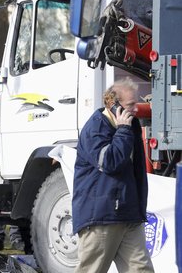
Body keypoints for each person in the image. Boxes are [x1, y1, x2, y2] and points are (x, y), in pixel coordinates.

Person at [73, 78, 153, 273]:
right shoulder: (95, 128)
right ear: (114, 105)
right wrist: (124, 130)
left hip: (128, 214)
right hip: (101, 216)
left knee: (141, 269)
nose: (136, 109)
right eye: (130, 105)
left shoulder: (129, 124)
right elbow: (110, 162)